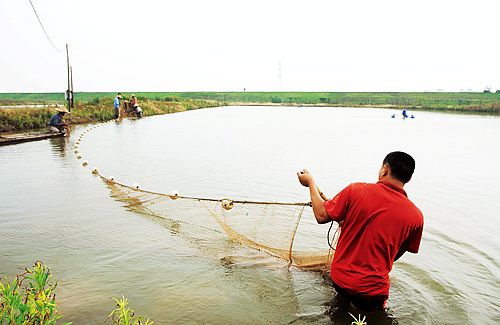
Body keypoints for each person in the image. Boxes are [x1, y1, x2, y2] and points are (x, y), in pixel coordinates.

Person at [297, 151, 424, 312]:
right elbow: (399, 252)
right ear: (409, 178)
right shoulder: (416, 216)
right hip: (372, 292)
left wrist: (310, 183)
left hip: (340, 281)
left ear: (385, 169)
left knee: (338, 314)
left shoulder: (356, 190)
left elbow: (321, 215)